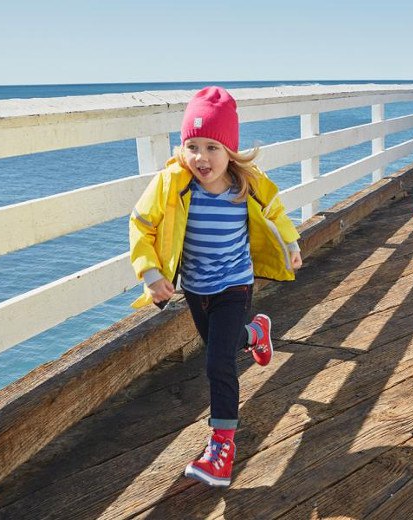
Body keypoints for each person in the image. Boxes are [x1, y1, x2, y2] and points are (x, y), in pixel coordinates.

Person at [129, 86, 302, 487]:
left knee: (217, 363)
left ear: (230, 151)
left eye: (212, 147)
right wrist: (150, 272)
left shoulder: (248, 184)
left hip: (235, 285)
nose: (201, 158)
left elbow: (275, 212)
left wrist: (291, 243)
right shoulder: (172, 184)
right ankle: (256, 333)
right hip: (196, 288)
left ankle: (221, 448)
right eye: (192, 147)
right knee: (220, 348)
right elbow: (141, 224)